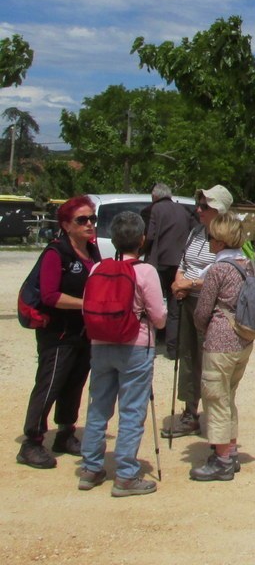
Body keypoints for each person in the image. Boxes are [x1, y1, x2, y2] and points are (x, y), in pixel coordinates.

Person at [77, 212, 167, 496]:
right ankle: (126, 475)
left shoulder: (96, 270)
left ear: (113, 241)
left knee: (98, 407)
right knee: (131, 410)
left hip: (100, 344)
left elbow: (86, 308)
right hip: (136, 347)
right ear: (142, 240)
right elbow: (160, 317)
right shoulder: (146, 271)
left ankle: (91, 468)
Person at [17, 196, 101, 469]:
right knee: (50, 383)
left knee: (75, 383)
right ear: (66, 225)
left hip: (83, 332)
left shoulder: (91, 250)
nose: (90, 224)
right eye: (82, 220)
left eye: (92, 218)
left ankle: (66, 433)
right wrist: (87, 305)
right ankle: (32, 441)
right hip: (58, 333)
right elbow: (51, 295)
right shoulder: (56, 253)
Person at [162, 184, 233, 439]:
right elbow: (183, 261)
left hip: (212, 307)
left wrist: (188, 284)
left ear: (219, 210)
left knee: (211, 362)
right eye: (199, 204)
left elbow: (225, 273)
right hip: (188, 302)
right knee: (188, 357)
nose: (198, 210)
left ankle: (215, 416)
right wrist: (178, 282)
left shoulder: (228, 239)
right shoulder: (195, 233)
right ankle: (190, 413)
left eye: (205, 206)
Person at [189, 213, 255, 481]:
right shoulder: (247, 264)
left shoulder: (218, 270)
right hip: (243, 340)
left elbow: (203, 309)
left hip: (219, 341)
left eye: (211, 237)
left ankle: (222, 459)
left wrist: (200, 328)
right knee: (228, 397)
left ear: (219, 241)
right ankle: (232, 449)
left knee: (215, 399)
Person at [143, 182, 193, 359]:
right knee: (175, 307)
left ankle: (149, 346)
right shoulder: (183, 210)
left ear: (155, 196)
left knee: (150, 305)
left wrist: (141, 252)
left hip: (159, 263)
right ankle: (174, 349)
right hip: (178, 264)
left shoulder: (155, 209)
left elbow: (149, 236)